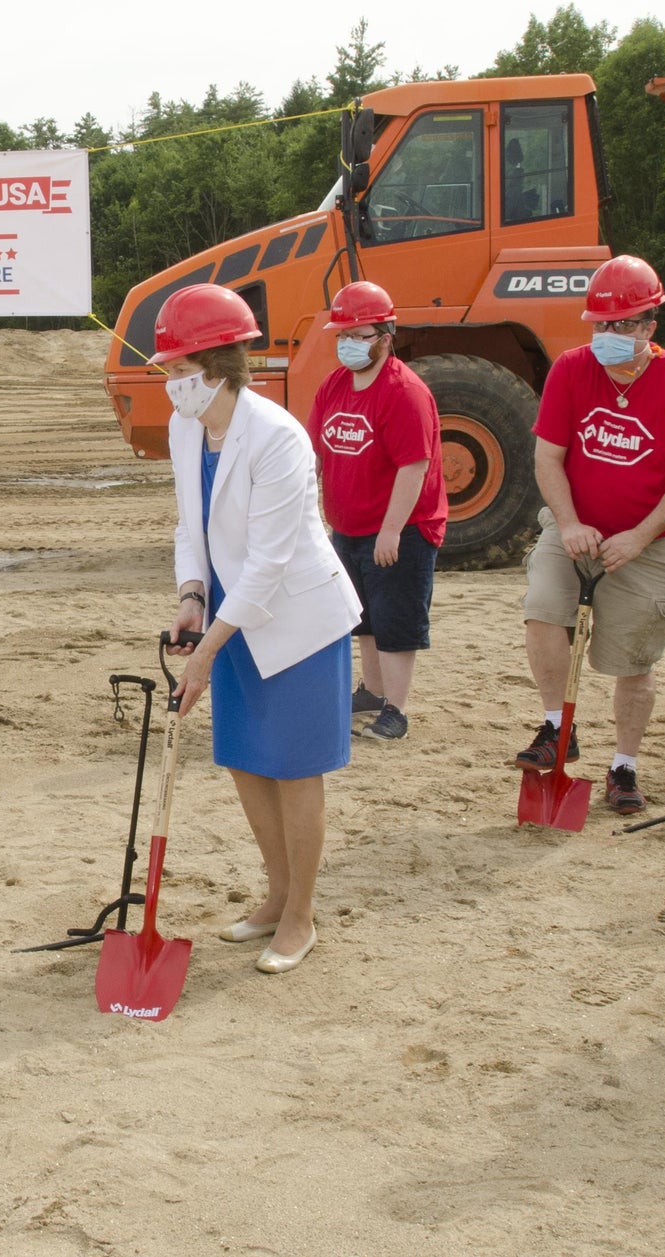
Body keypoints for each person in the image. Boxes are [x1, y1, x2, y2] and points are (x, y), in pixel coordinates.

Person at [159, 284, 362, 975]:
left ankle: (302, 915)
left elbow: (271, 561)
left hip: (299, 622)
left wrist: (205, 653)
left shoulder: (278, 437)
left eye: (180, 369)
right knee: (247, 759)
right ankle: (277, 894)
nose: (171, 383)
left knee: (295, 767)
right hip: (232, 616)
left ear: (218, 364)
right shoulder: (185, 428)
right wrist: (192, 595)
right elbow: (193, 526)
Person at [516, 255, 665, 814]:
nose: (608, 335)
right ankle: (558, 728)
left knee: (633, 660)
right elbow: (548, 458)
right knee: (542, 608)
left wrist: (640, 537)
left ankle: (624, 765)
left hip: (649, 540)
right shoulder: (572, 370)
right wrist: (571, 522)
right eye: (600, 325)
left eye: (621, 325)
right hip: (574, 523)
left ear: (650, 326)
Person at [309, 281, 448, 742]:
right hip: (348, 527)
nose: (348, 345)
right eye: (342, 336)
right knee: (363, 615)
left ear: (386, 338)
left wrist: (391, 530)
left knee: (395, 619)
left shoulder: (404, 392)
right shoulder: (334, 385)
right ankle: (371, 690)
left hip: (400, 529)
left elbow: (414, 465)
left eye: (359, 335)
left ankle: (396, 708)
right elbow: (315, 451)